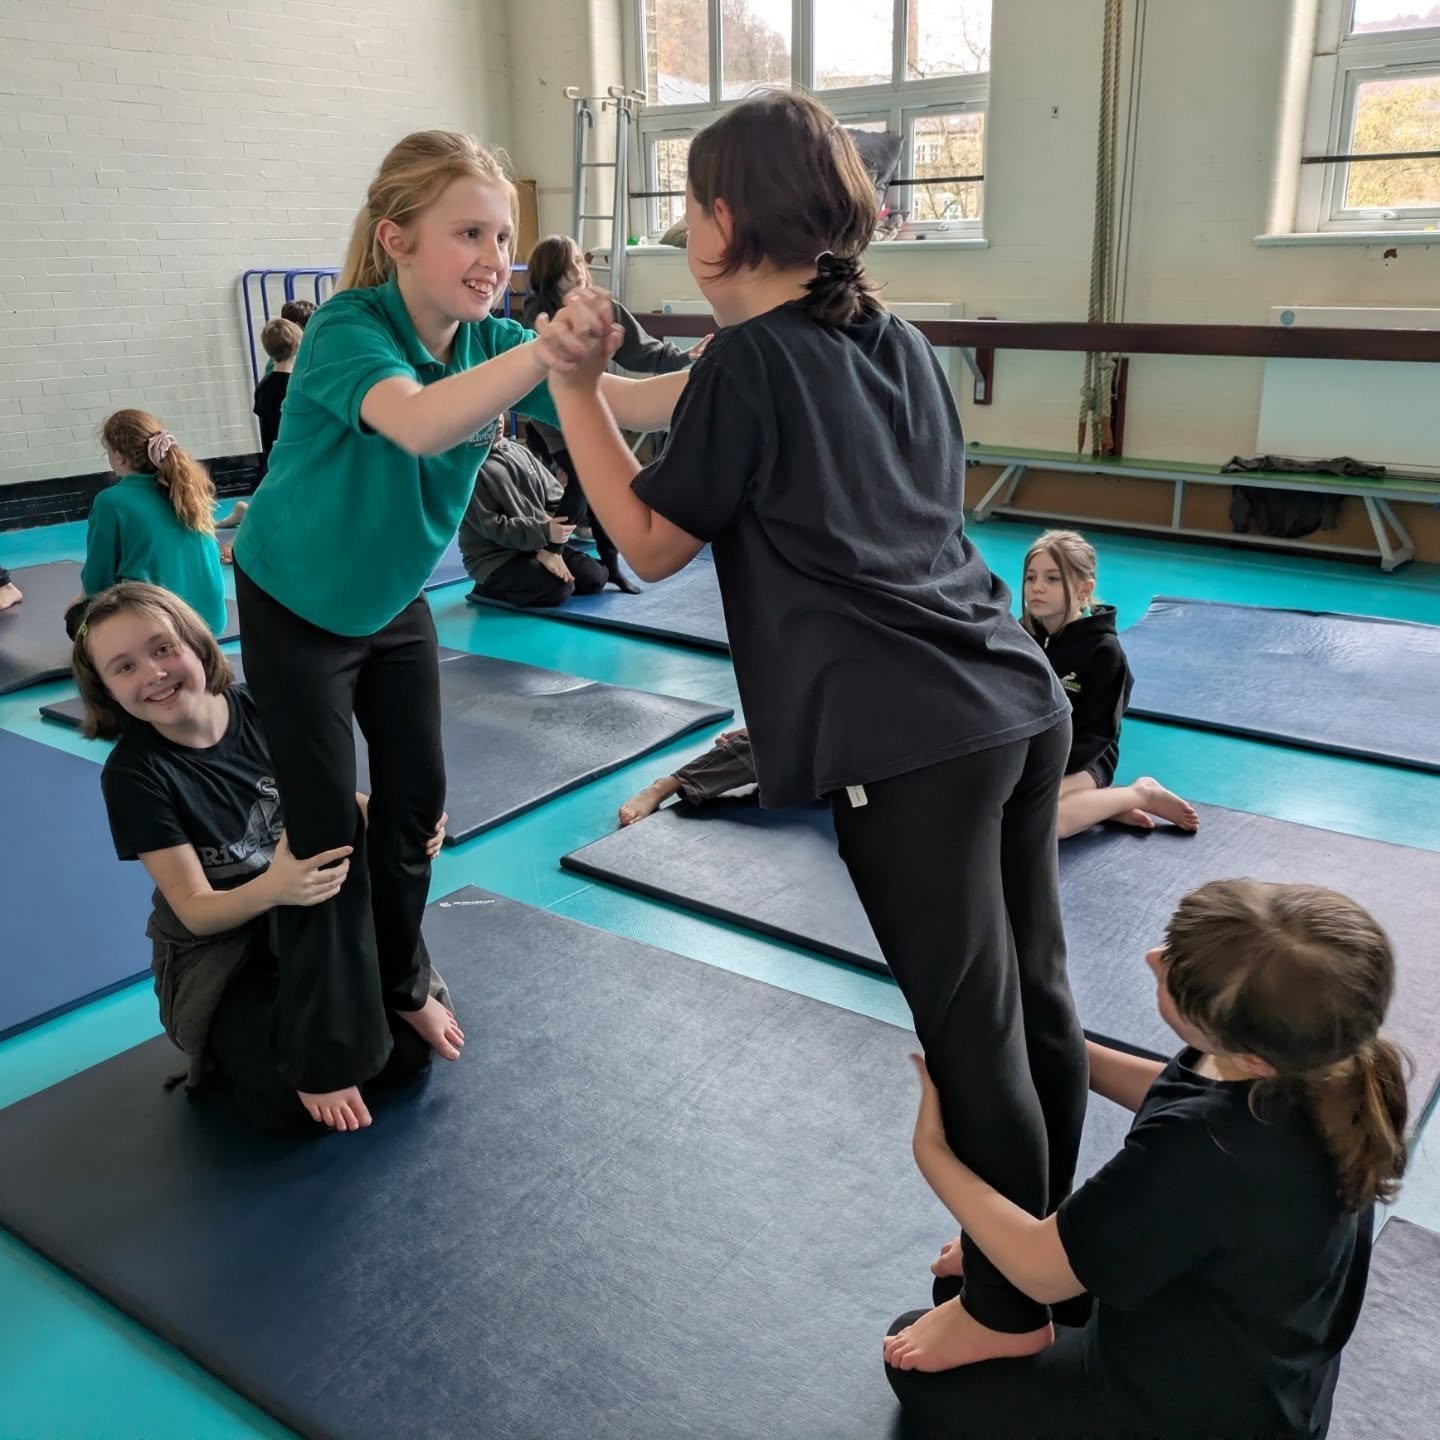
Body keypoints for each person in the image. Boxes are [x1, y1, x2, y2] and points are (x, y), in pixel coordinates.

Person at [541, 91, 1084, 1364]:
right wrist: (591, 372)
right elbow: (679, 401)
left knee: (970, 1024)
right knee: (1033, 998)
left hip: (910, 741)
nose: (680, 229)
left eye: (686, 206)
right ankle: (1040, 1239)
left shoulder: (753, 362)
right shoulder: (884, 333)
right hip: (1013, 697)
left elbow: (647, 540)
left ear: (725, 221)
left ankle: (1011, 1312)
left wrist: (566, 391)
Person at [229, 129, 686, 1131]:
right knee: (322, 833)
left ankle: (402, 981)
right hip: (294, 599)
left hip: (390, 601)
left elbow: (633, 402)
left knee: (415, 810)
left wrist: (764, 345)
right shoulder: (353, 327)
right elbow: (420, 422)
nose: (494, 255)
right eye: (468, 232)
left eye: (504, 235)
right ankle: (320, 1042)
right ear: (396, 238)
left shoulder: (487, 341)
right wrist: (543, 349)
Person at [886, 877, 1407, 1440]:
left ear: (1250, 1055)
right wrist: (1056, 1045)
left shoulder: (1204, 1149)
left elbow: (1039, 1272)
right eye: (1173, 946)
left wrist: (933, 1152)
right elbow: (1176, 1087)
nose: (1153, 956)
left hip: (1180, 1420)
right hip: (1258, 1381)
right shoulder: (1326, 1068)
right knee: (976, 1289)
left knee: (917, 1348)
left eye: (1174, 975)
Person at [72, 582, 456, 1135]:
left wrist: (403, 820)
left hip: (315, 920)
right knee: (285, 1101)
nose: (153, 673)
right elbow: (196, 910)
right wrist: (276, 887)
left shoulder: (266, 708)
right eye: (124, 667)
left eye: (162, 648)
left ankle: (390, 994)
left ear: (197, 644)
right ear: (106, 690)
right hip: (228, 950)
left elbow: (334, 803)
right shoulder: (135, 774)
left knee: (403, 1058)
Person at [522, 233, 698, 592]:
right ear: (551, 274)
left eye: (579, 262)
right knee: (584, 480)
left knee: (593, 483)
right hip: (549, 409)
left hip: (591, 401)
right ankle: (552, 548)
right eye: (568, 265)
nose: (578, 271)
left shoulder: (601, 307)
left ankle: (610, 563)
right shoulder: (537, 317)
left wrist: (685, 359)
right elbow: (531, 379)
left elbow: (641, 351)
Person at [1020, 529, 1199, 840]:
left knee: (1039, 821)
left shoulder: (1104, 651)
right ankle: (1105, 807)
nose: (1037, 588)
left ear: (1084, 589)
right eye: (1031, 578)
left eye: (1052, 579)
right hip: (1034, 758)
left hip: (1085, 760)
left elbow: (1099, 733)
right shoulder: (1023, 636)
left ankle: (1141, 793)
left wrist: (1050, 768)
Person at [76, 410, 228, 637]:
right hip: (211, 624)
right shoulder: (190, 488)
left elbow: (98, 579)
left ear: (119, 456)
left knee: (77, 617)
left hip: (158, 628)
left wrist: (80, 608)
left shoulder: (111, 501)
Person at [459, 430, 608, 606]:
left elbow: (554, 496)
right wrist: (545, 531)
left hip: (538, 545)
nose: (498, 421)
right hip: (496, 557)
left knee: (595, 577)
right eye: (489, 418)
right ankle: (486, 589)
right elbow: (495, 527)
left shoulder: (518, 451)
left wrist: (584, 513)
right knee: (559, 589)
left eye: (499, 414)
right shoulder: (467, 468)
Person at [253, 317, 302, 480]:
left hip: (273, 461)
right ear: (296, 346)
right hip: (297, 458)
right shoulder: (298, 386)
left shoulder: (263, 386)